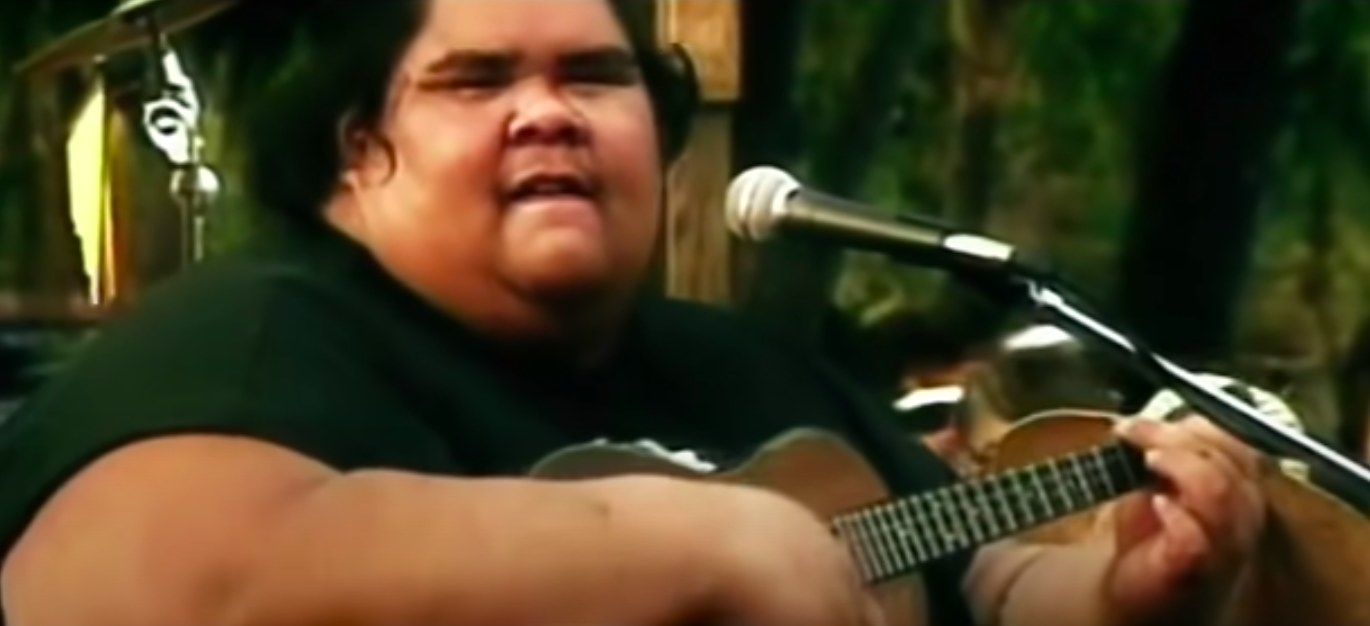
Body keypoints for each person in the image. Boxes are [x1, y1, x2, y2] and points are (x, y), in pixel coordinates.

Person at [0, 2, 1266, 625]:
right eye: (477, 79)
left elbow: (965, 571)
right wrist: (687, 542)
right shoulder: (257, 337)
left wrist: (1121, 589)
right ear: (360, 150)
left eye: (594, 75)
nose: (546, 109)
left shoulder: (738, 364)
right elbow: (133, 590)